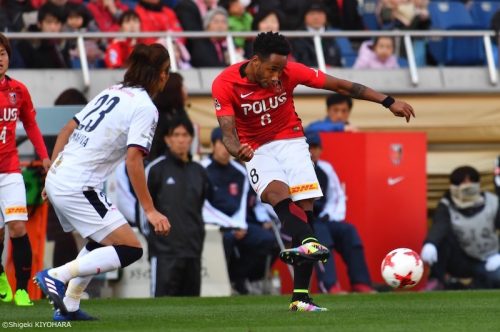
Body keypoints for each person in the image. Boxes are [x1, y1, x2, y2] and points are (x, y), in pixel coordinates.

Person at [211, 31, 414, 311]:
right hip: (254, 146)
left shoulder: (290, 71)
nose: (276, 77)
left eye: (281, 70)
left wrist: (388, 101)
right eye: (272, 69)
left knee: (304, 210)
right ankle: (309, 243)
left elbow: (342, 86)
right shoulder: (224, 83)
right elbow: (228, 134)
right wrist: (237, 151)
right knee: (276, 194)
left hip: (290, 139)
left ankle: (301, 298)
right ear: (255, 61)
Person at [33, 43, 171, 321]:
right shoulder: (145, 107)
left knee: (102, 237)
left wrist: (52, 173)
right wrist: (150, 209)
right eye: (166, 72)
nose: (167, 78)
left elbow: (66, 129)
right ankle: (56, 275)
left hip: (61, 175)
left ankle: (70, 305)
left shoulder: (112, 91)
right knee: (131, 248)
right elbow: (134, 160)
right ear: (158, 74)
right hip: (77, 185)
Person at [0, 32, 51, 307]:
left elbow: (30, 124)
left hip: (9, 170)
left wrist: (44, 156)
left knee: (18, 227)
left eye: (3, 53)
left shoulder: (18, 90)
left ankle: (22, 290)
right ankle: (0, 277)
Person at [202, 127, 276, 295]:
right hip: (211, 224)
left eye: (231, 144)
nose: (226, 148)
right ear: (213, 145)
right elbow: (203, 205)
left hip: (237, 223)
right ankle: (222, 284)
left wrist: (239, 225)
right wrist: (230, 225)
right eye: (222, 143)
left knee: (267, 240)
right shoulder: (202, 169)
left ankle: (240, 277)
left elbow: (242, 203)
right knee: (227, 239)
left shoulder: (241, 171)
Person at [143, 116, 210, 297]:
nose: (181, 139)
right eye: (176, 134)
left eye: (185, 134)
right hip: (164, 254)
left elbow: (202, 206)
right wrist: (155, 242)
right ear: (167, 139)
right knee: (161, 311)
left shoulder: (199, 171)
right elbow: (142, 209)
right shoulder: (156, 170)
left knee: (191, 311)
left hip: (193, 252)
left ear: (191, 139)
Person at [306, 133, 374, 294]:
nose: (311, 152)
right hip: (301, 221)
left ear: (320, 150)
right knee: (321, 233)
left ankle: (361, 282)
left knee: (348, 231)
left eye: (315, 148)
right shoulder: (292, 169)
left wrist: (329, 214)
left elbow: (336, 197)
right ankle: (329, 286)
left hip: (322, 219)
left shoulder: (325, 169)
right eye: (308, 148)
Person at [420, 166, 500, 290]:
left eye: (471, 181)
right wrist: (431, 243)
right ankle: (436, 279)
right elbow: (440, 225)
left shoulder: (493, 202)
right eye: (462, 182)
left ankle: (472, 287)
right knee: (442, 239)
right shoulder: (446, 205)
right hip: (461, 259)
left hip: (489, 259)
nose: (467, 186)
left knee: (496, 277)